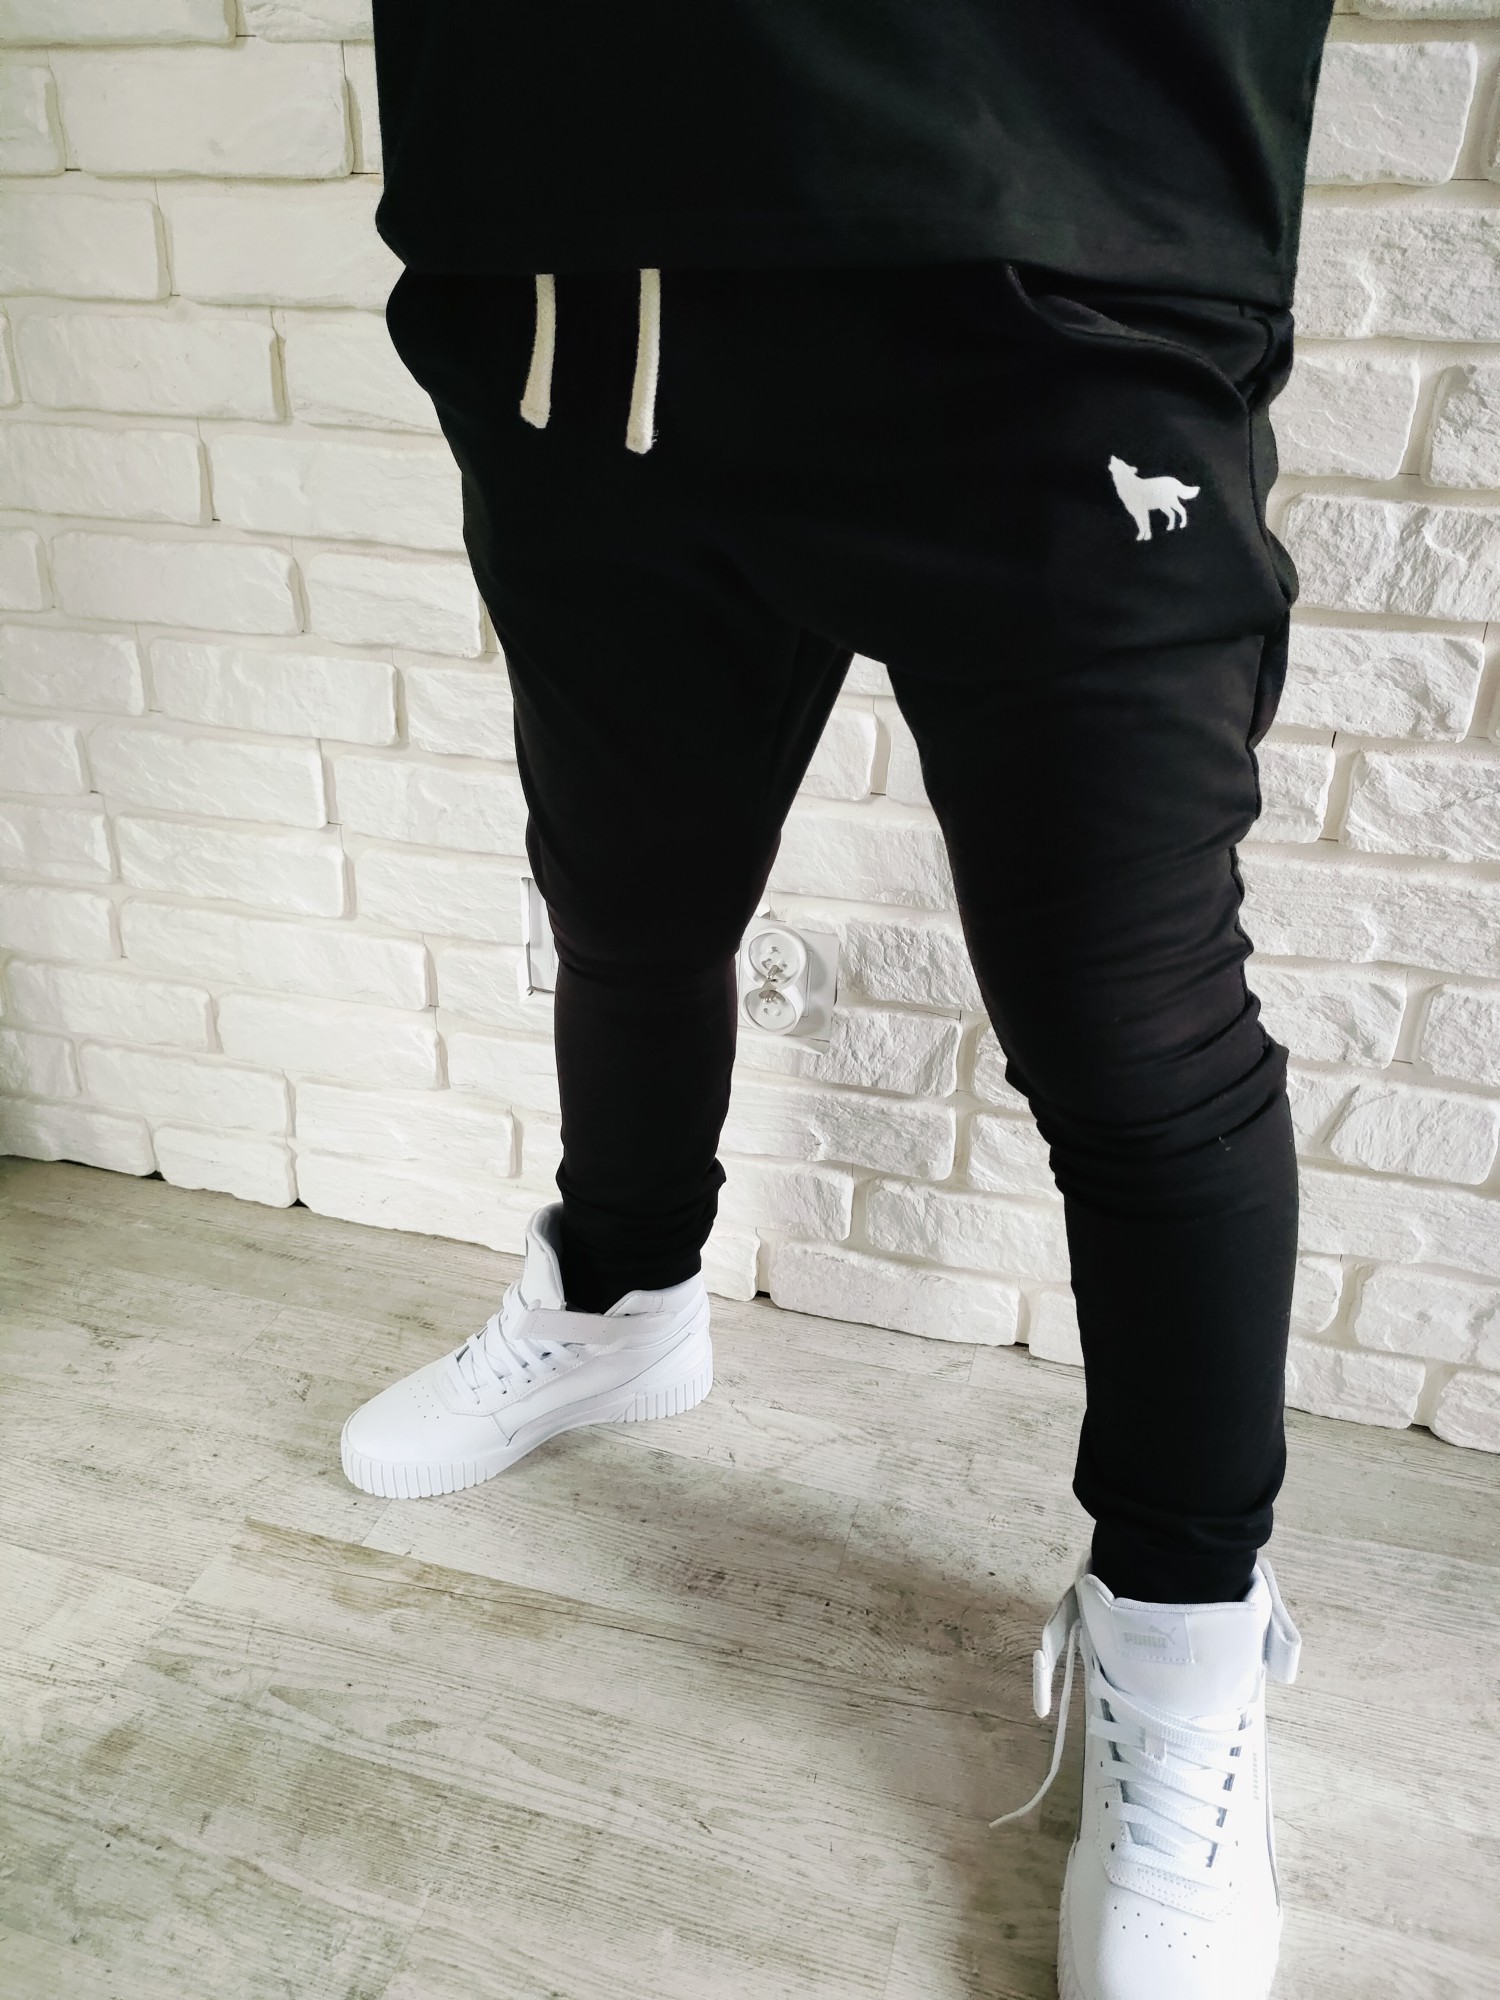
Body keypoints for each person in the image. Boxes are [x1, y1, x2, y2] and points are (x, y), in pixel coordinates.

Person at [341, 6, 1335, 1994]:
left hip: (1064, 261)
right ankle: (620, 1305)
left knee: (1139, 1044)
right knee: (630, 913)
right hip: (580, 287)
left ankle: (1180, 1636)